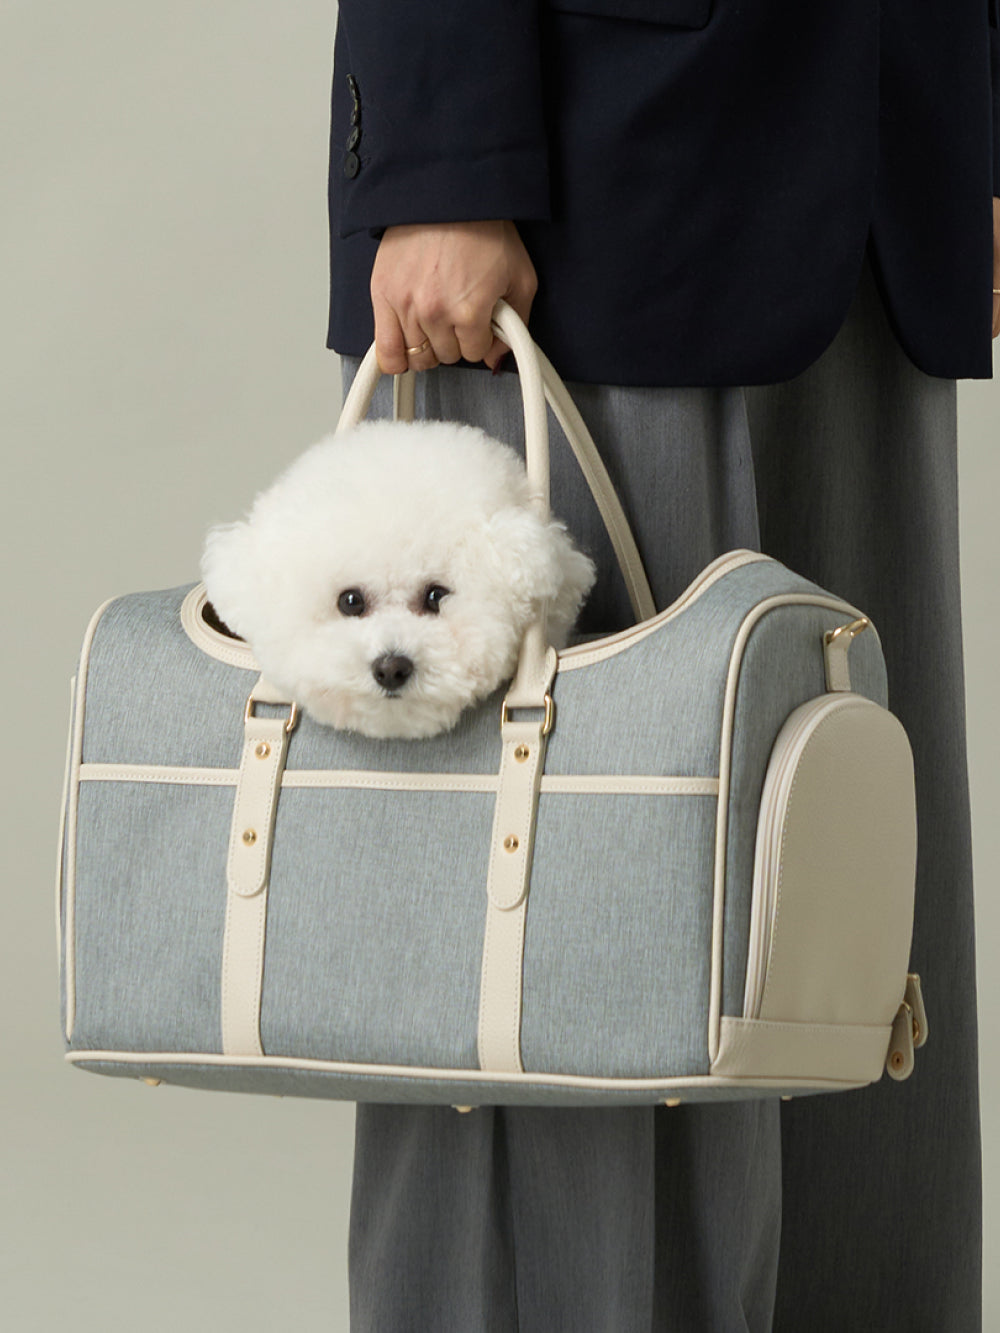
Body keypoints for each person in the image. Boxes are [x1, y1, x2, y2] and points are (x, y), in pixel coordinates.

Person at [326, 3, 999, 1328]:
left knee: (843, 910)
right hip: (591, 190)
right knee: (572, 934)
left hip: (875, 180)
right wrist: (445, 160)